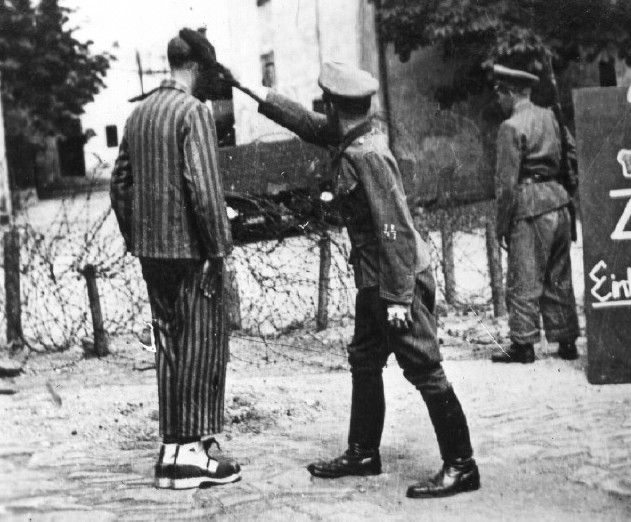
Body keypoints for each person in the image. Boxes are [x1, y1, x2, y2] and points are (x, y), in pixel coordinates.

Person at [254, 62, 479, 499]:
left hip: (394, 281)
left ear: (335, 105)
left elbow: (394, 228)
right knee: (364, 359)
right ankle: (362, 452)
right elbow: (306, 122)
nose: (324, 112)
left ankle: (461, 465)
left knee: (424, 367)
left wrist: (398, 298)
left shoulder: (367, 155)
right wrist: (251, 90)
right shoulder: (352, 137)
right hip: (375, 281)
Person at [110, 29, 241, 489]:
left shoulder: (139, 113)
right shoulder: (193, 112)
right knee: (200, 345)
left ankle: (171, 451)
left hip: (151, 251)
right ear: (198, 67)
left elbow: (119, 183)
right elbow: (204, 189)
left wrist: (138, 236)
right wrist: (217, 251)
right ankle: (191, 455)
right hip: (191, 253)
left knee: (167, 346)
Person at [489, 64, 580, 364]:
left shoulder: (511, 127)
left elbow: (505, 186)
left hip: (529, 207)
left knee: (524, 276)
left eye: (500, 93)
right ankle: (566, 340)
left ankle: (523, 344)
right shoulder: (551, 117)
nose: (498, 100)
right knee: (559, 275)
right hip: (559, 203)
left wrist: (502, 226)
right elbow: (572, 156)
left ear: (510, 93)